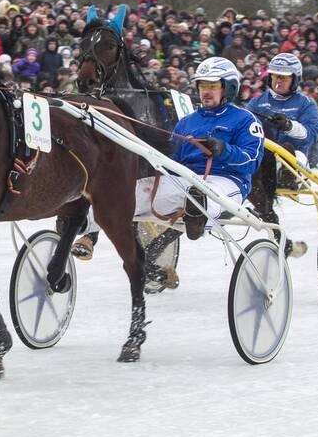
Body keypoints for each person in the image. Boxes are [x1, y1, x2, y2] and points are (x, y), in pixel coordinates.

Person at [71, 57, 265, 281]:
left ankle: (197, 217)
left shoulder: (244, 119)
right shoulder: (187, 122)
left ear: (228, 88)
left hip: (227, 180)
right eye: (203, 86)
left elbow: (251, 161)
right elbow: (172, 158)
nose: (206, 92)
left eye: (213, 86)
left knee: (206, 196)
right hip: (185, 179)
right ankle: (84, 224)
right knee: (129, 193)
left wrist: (224, 150)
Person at [246, 52, 318, 170]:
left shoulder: (306, 104)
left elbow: (312, 135)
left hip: (295, 161)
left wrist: (289, 126)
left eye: (284, 77)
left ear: (295, 79)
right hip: (262, 160)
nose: (278, 81)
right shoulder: (256, 103)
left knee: (294, 152)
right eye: (275, 76)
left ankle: (286, 175)